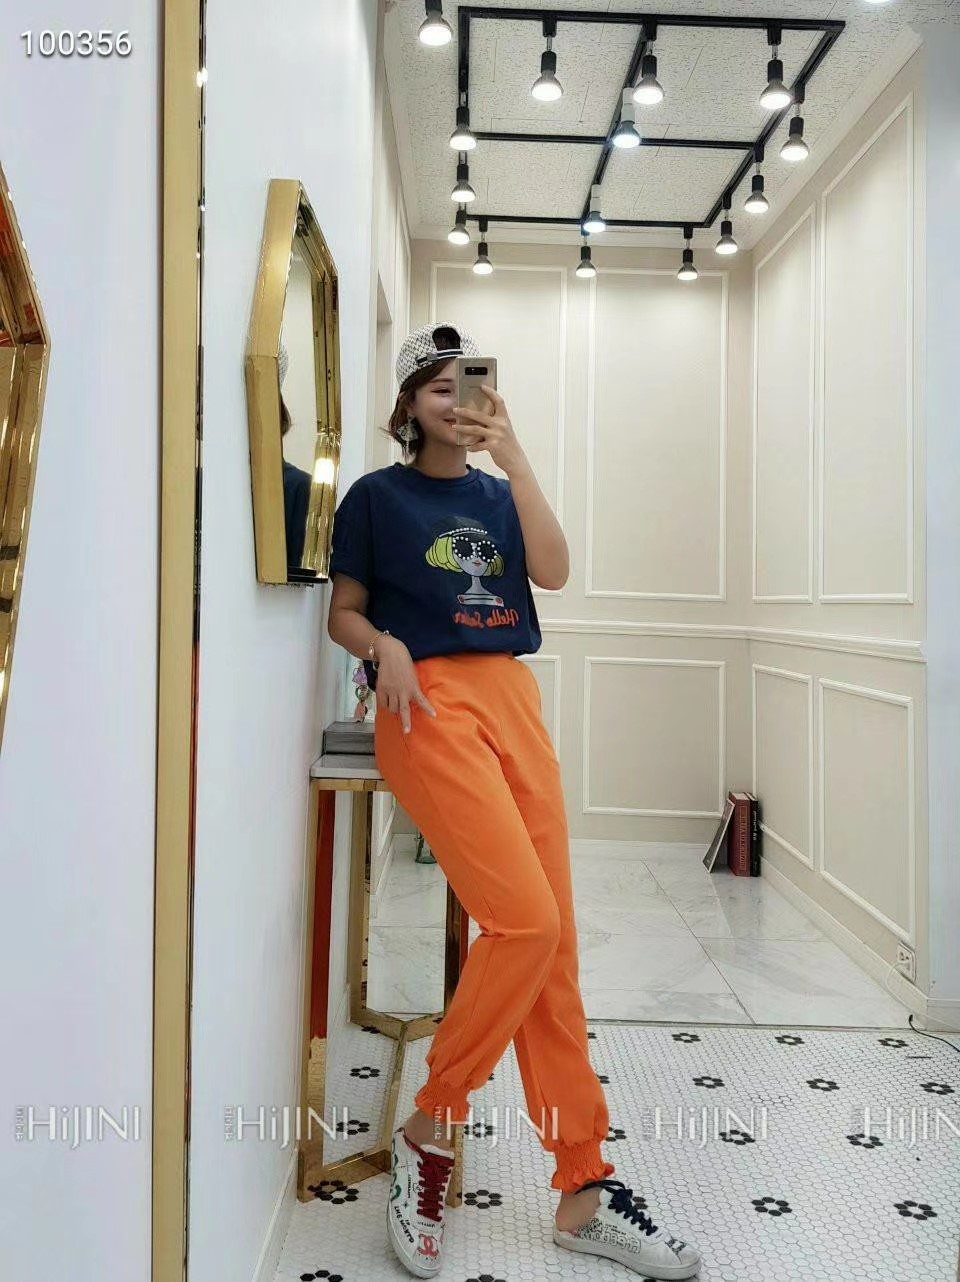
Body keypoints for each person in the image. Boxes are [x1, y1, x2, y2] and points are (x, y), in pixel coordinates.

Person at [326, 323, 702, 1281]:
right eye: (439, 389)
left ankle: (583, 1187)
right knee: (524, 923)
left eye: (473, 386)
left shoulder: (499, 494)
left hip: (512, 698)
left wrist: (519, 457)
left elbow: (555, 571)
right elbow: (344, 612)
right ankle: (432, 1124)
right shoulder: (375, 495)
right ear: (410, 406)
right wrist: (385, 647)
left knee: (553, 949)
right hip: (424, 701)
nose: (460, 403)